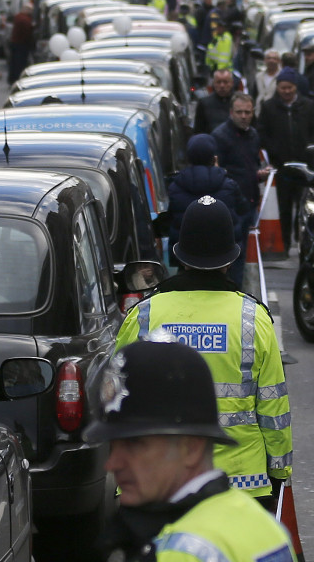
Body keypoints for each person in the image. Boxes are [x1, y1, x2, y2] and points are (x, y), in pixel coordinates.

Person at [114, 198, 294, 510]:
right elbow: (273, 407)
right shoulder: (252, 318)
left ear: (180, 255)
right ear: (229, 260)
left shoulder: (144, 315)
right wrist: (279, 470)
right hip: (241, 486)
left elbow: (117, 404)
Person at [87, 340, 295, 562]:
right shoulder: (265, 526)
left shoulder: (177, 552)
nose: (112, 464)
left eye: (134, 444)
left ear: (191, 448)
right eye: (113, 444)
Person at [210, 93, 267, 286]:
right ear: (231, 112)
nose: (243, 116)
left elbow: (249, 166)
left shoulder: (253, 135)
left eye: (247, 112)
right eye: (239, 112)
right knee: (229, 255)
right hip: (230, 205)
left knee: (241, 253)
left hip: (248, 203)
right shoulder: (220, 137)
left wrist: (258, 175)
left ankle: (236, 288)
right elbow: (218, 171)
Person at [165, 134, 250, 259]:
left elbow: (170, 218)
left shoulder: (175, 186)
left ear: (189, 158)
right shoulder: (228, 185)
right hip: (224, 254)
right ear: (214, 158)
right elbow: (244, 209)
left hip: (186, 255)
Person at [257, 71, 314, 241]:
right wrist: (274, 151)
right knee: (283, 207)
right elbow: (262, 133)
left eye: (289, 87)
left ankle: (300, 238)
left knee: (303, 206)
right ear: (277, 88)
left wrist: (309, 150)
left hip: (303, 167)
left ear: (295, 87)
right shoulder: (268, 107)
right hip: (280, 167)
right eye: (283, 88)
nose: (286, 91)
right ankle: (285, 240)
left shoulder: (308, 106)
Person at [195, 70, 238, 136]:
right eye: (218, 82)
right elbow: (198, 131)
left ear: (232, 83)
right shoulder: (204, 103)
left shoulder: (240, 102)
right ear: (213, 84)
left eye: (225, 82)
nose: (222, 85)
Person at [7, 7, 35, 83]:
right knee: (19, 63)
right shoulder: (24, 20)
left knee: (14, 63)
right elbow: (26, 33)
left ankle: (12, 78)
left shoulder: (18, 17)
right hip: (21, 44)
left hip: (16, 43)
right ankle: (17, 78)